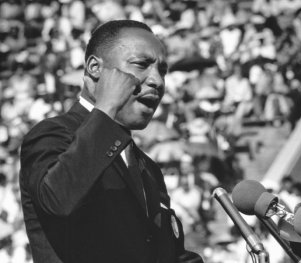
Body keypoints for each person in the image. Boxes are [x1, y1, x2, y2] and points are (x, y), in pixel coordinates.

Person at [19, 20, 204, 263]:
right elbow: (58, 200)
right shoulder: (52, 134)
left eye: (163, 71)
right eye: (141, 64)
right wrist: (106, 108)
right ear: (95, 68)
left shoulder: (147, 167)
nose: (157, 81)